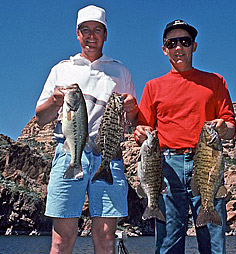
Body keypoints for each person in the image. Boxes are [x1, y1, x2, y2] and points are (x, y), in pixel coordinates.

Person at [35, 5, 139, 254]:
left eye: (97, 30)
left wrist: (133, 107)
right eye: (86, 30)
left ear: (105, 34)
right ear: (78, 34)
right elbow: (40, 118)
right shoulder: (61, 69)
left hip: (108, 155)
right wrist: (56, 100)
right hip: (69, 151)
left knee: (105, 238)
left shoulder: (120, 71)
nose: (91, 36)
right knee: (61, 240)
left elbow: (133, 121)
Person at [134, 20, 236, 254]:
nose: (178, 47)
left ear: (194, 46)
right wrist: (140, 133)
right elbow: (143, 130)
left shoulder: (215, 81)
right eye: (172, 43)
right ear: (164, 49)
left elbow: (231, 128)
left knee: (213, 240)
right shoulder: (152, 86)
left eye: (184, 42)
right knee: (169, 239)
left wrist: (223, 127)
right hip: (167, 166)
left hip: (207, 163)